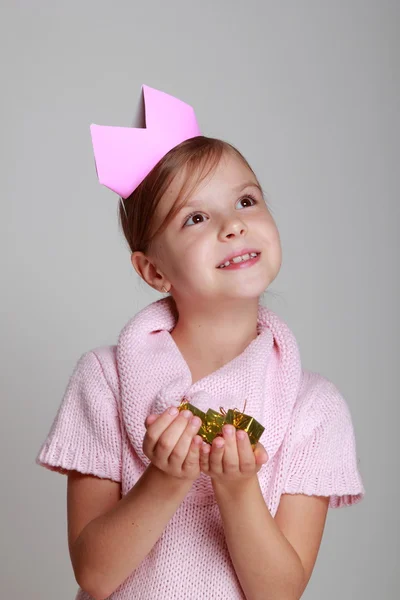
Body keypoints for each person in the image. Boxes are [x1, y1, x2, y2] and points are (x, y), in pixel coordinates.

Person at [36, 84, 365, 600]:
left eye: (246, 200)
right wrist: (165, 480)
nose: (233, 225)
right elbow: (94, 576)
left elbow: (280, 593)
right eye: (196, 217)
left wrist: (237, 490)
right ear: (153, 270)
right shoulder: (104, 379)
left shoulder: (312, 409)